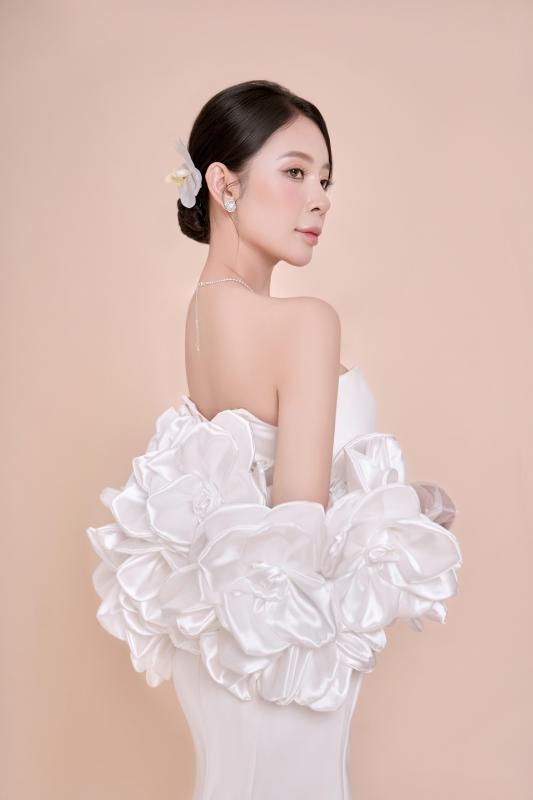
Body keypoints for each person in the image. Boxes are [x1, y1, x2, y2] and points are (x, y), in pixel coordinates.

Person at [86, 79, 462, 799]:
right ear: (223, 184)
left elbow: (251, 496)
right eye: (294, 172)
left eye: (325, 180)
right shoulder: (304, 323)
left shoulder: (203, 317)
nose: (319, 199)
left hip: (228, 658)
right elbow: (297, 538)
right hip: (285, 661)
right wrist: (409, 506)